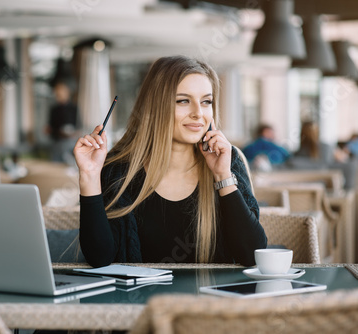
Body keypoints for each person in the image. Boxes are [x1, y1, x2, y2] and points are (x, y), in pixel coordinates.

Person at [73, 56, 267, 268]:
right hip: (138, 301)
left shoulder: (228, 160)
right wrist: (90, 176)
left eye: (206, 102)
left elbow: (253, 255)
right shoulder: (120, 169)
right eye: (183, 100)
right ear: (155, 106)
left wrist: (222, 176)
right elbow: (99, 258)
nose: (198, 114)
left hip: (212, 300)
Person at [46, 81, 79, 163]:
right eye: (57, 93)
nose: (58, 95)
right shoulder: (54, 109)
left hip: (70, 142)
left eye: (60, 92)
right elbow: (50, 127)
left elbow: (79, 125)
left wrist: (73, 133)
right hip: (57, 142)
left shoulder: (74, 108)